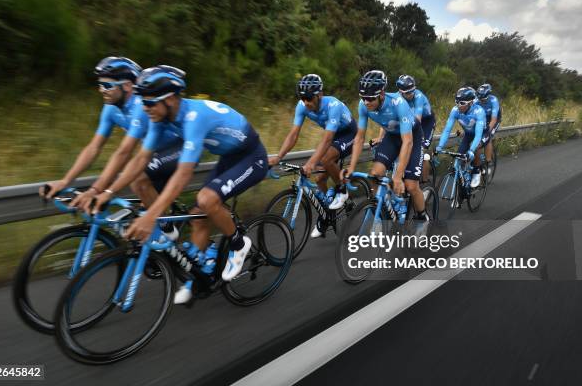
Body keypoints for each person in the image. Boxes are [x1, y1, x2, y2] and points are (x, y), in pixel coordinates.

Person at [91, 65, 268, 304]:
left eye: (151, 102)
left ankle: (238, 243)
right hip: (229, 157)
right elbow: (141, 159)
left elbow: (184, 173)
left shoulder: (195, 118)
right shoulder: (159, 117)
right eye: (143, 101)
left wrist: (151, 215)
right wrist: (107, 191)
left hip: (251, 156)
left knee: (207, 199)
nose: (145, 108)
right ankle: (199, 276)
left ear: (172, 99)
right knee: (198, 215)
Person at [40, 57, 183, 228]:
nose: (101, 90)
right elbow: (94, 147)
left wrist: (96, 190)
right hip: (155, 155)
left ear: (128, 86)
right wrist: (65, 181)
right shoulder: (110, 109)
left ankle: (166, 229)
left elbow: (124, 152)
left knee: (137, 180)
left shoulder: (140, 107)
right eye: (100, 85)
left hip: (179, 149)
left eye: (107, 85)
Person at [268, 74, 357, 238]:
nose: (306, 102)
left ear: (319, 94)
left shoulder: (333, 105)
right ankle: (328, 214)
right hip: (334, 136)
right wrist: (278, 156)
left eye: (309, 98)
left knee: (325, 159)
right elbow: (294, 135)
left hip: (348, 134)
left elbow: (327, 139)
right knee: (319, 179)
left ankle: (342, 190)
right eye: (302, 98)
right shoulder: (302, 106)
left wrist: (310, 163)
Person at [340, 70, 429, 230]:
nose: (366, 102)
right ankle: (383, 212)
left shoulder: (398, 103)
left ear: (381, 93)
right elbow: (359, 138)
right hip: (392, 136)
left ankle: (422, 217)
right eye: (363, 98)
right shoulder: (363, 105)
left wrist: (397, 176)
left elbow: (407, 142)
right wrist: (351, 168)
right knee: (375, 175)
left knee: (410, 185)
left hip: (412, 137)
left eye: (370, 98)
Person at [436, 86, 487, 191]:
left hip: (481, 134)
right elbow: (447, 130)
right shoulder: (455, 110)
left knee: (475, 148)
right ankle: (464, 180)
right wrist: (440, 146)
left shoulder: (478, 111)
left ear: (471, 103)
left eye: (462, 103)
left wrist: (471, 150)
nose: (459, 106)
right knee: (459, 158)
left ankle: (477, 171)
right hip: (468, 134)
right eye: (457, 102)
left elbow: (478, 135)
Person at [395, 75, 436, 182]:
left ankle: (425, 184)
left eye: (412, 90)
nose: (411, 94)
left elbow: (417, 120)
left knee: (422, 151)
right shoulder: (396, 98)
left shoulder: (419, 96)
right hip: (410, 122)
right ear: (400, 92)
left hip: (426, 123)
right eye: (407, 92)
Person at [475, 83, 502, 168]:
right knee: (477, 137)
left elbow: (494, 120)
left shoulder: (494, 100)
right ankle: (477, 162)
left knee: (487, 137)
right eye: (480, 99)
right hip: (483, 117)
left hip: (494, 118)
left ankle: (488, 160)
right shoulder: (476, 101)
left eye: (484, 99)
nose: (481, 101)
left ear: (488, 96)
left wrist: (487, 132)